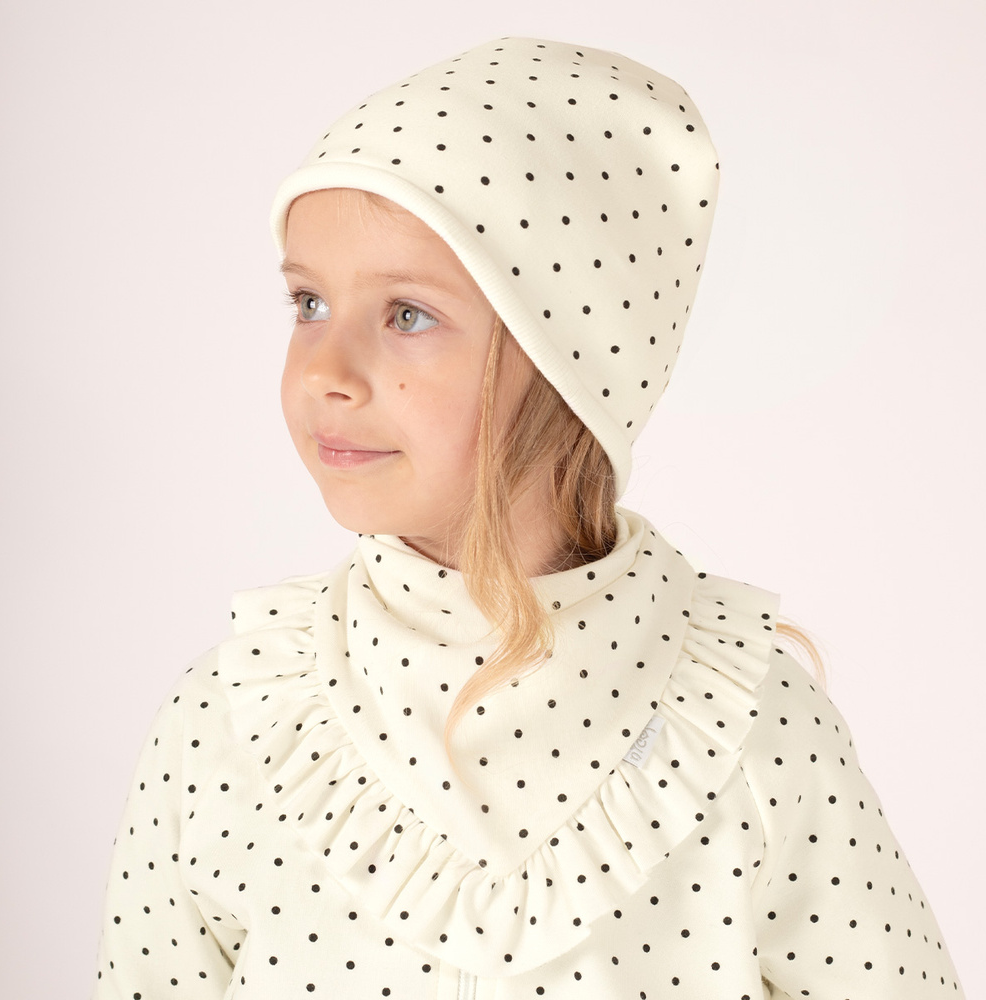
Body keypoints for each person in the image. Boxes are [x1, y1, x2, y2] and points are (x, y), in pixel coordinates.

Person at [92, 37, 964, 999]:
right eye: (308, 302)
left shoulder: (742, 731)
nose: (324, 373)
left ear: (568, 363)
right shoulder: (232, 725)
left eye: (406, 314)